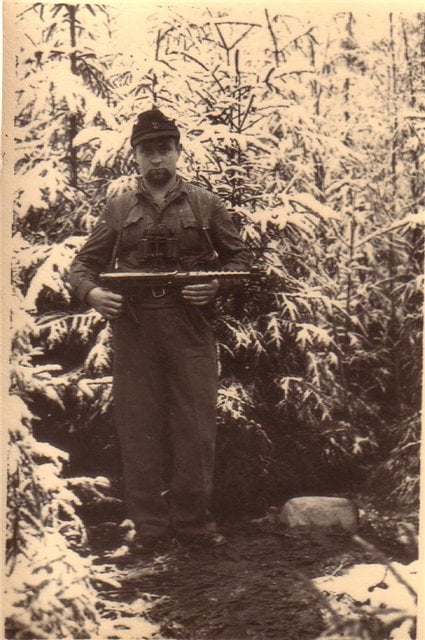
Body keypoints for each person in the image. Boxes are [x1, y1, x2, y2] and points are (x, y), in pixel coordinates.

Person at [69, 108, 251, 552]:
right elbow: (83, 266)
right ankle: (148, 527)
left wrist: (214, 286)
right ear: (134, 156)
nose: (156, 158)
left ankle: (194, 525)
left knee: (194, 425)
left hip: (189, 328)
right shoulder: (118, 208)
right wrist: (93, 294)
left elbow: (240, 261)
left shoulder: (206, 204)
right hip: (134, 329)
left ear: (177, 152)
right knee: (138, 426)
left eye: (164, 149)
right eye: (147, 150)